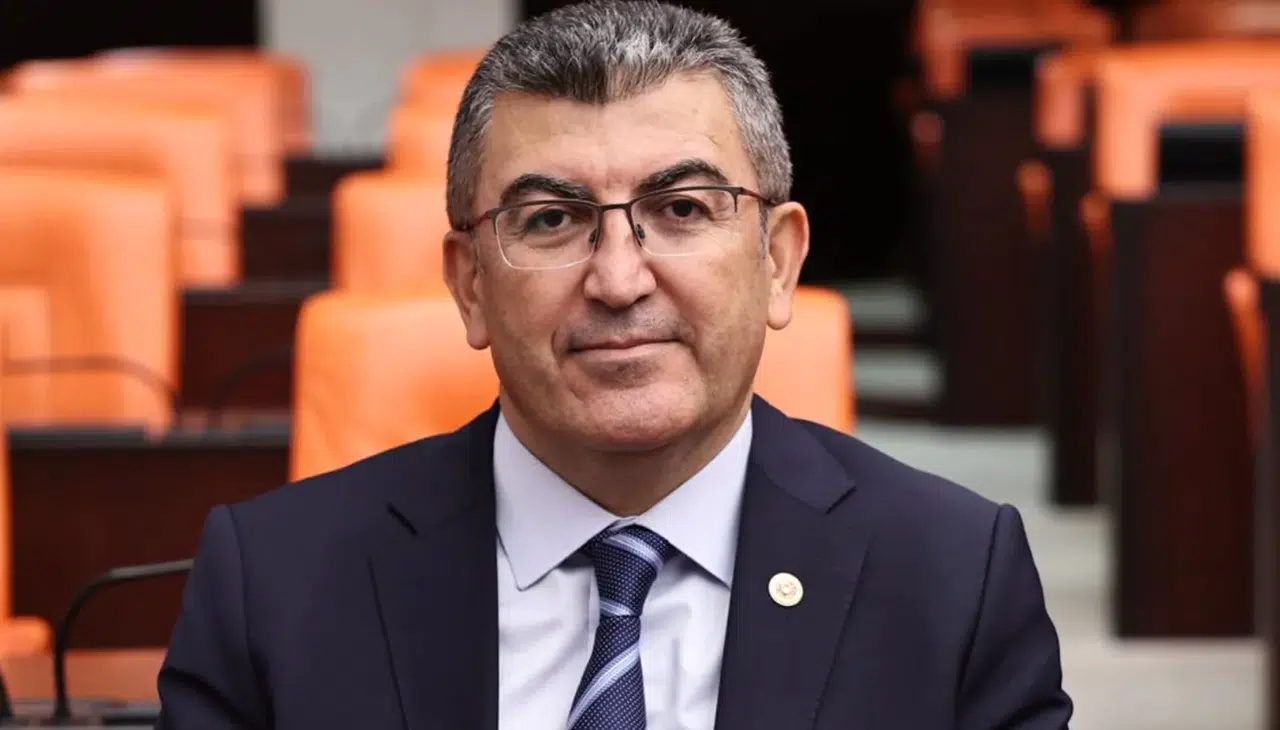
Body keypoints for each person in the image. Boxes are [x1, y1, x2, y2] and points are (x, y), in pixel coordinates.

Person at [155, 1, 1072, 728]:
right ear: (470, 285)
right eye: (552, 220)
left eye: (682, 209)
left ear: (778, 261)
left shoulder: (953, 577)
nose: (619, 280)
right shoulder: (271, 583)